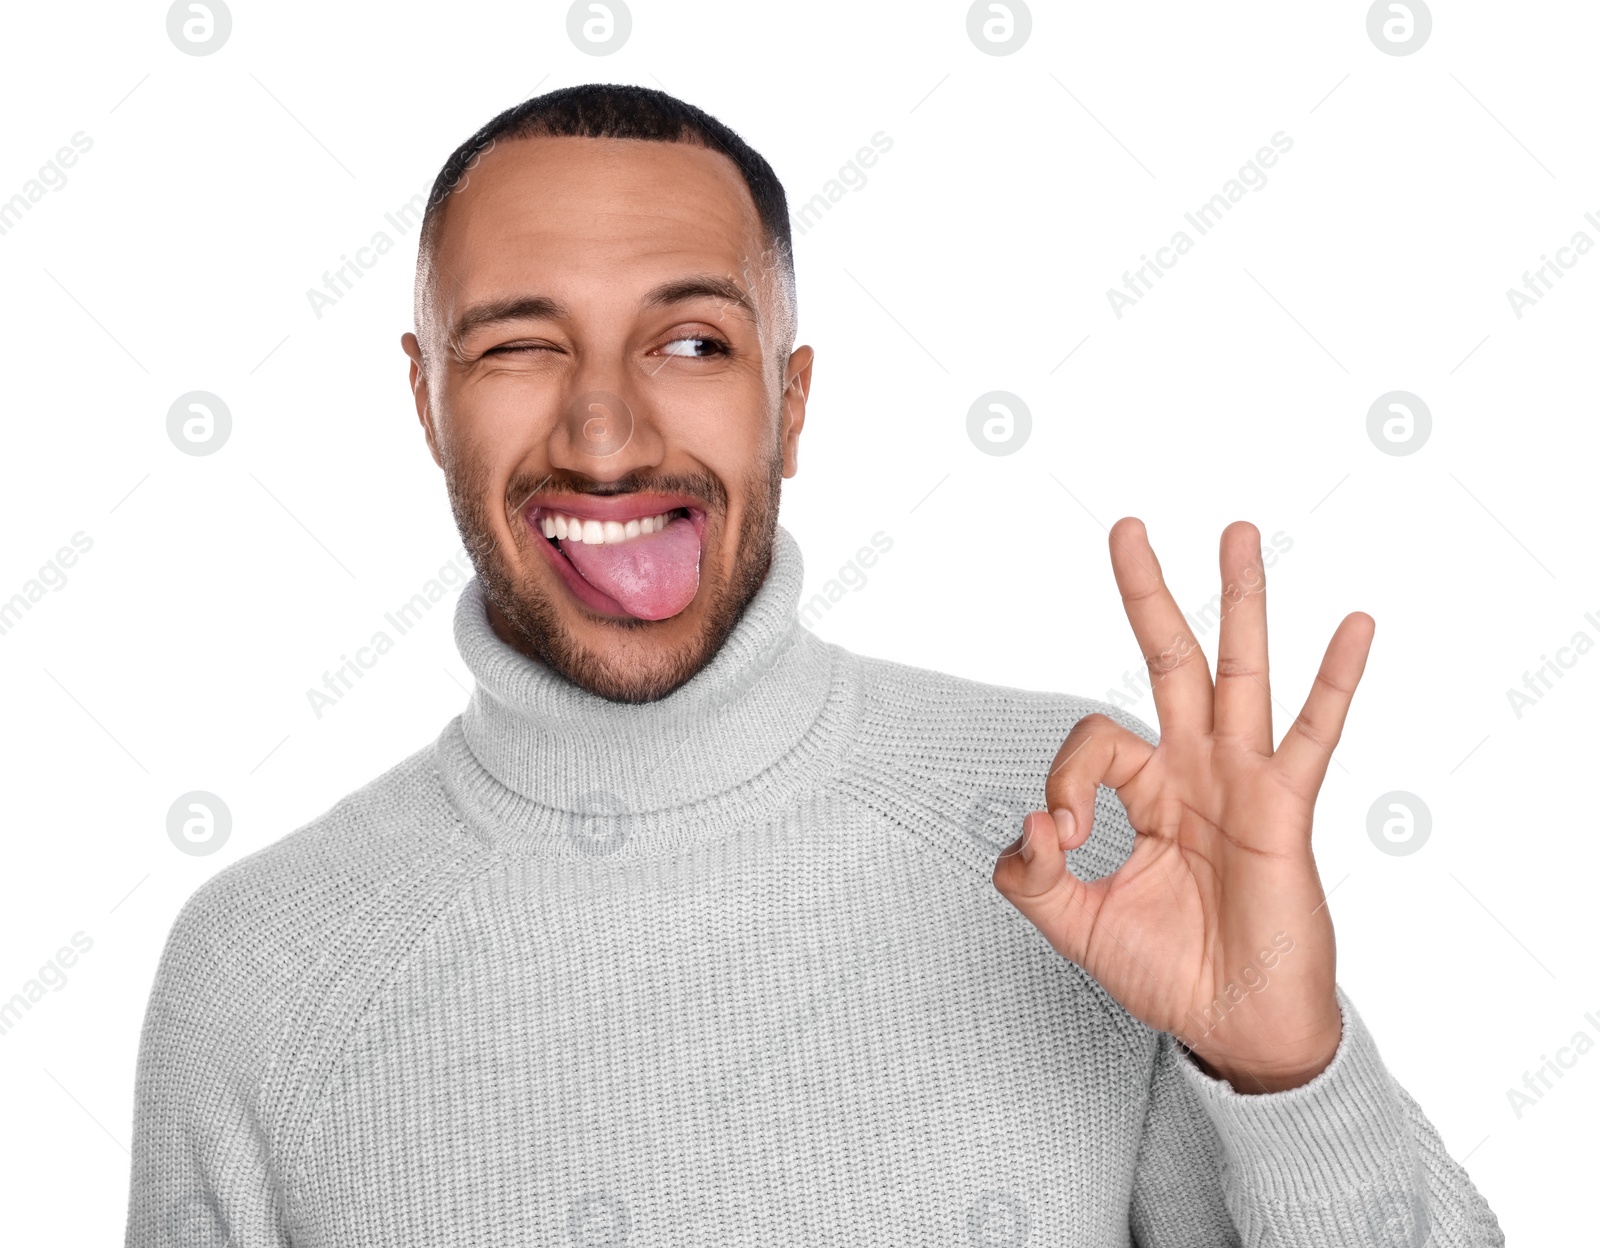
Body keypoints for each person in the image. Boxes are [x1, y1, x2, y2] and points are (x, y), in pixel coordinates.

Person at [125, 83, 1502, 1246]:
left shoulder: (1084, 833)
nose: (605, 436)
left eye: (691, 343)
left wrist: (1285, 1076)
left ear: (790, 402)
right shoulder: (260, 972)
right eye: (522, 347)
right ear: (426, 399)